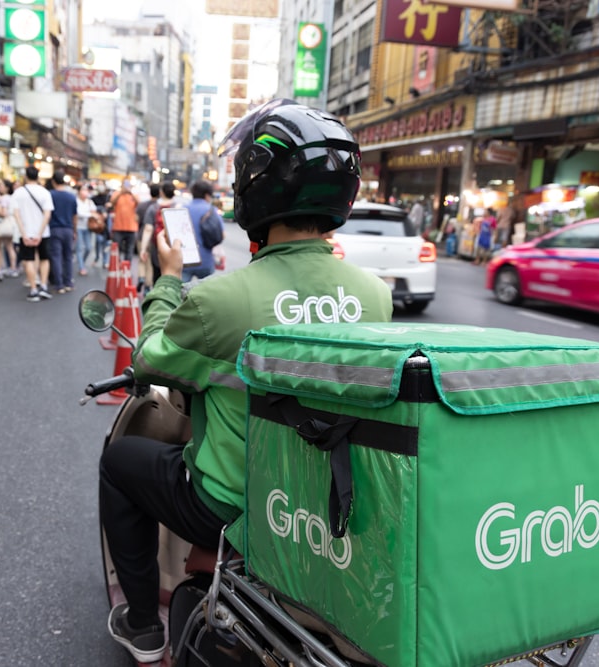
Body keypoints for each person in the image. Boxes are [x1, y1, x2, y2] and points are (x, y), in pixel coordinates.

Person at [99, 100, 395, 663]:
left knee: (119, 464)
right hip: (324, 499)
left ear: (254, 187)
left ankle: (142, 625)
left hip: (229, 503)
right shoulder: (374, 293)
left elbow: (150, 364)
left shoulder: (220, 298)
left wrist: (165, 282)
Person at [9, 166, 52, 302]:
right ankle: (44, 286)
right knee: (44, 259)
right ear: (38, 176)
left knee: (29, 260)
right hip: (43, 232)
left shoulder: (18, 193)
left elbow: (16, 215)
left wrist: (24, 233)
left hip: (26, 232)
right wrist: (39, 234)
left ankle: (33, 289)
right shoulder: (44, 192)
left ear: (26, 176)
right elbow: (47, 215)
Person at [137, 182, 178, 289]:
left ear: (161, 192)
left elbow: (148, 229)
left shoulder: (154, 208)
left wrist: (143, 249)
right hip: (174, 247)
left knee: (157, 273)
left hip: (158, 246)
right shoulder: (178, 207)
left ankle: (158, 296)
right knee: (174, 275)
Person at [182, 179, 222, 282]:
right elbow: (222, 234)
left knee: (180, 294)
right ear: (207, 195)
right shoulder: (211, 210)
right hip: (206, 260)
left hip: (185, 261)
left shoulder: (183, 209)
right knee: (208, 294)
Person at [48, 171, 78, 294]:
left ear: (53, 182)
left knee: (56, 257)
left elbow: (47, 213)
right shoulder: (71, 197)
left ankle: (59, 284)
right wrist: (74, 230)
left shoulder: (50, 195)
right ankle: (68, 283)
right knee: (68, 257)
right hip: (68, 229)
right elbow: (75, 216)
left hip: (54, 229)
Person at [134, 183, 159, 292]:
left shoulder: (142, 205)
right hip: (154, 239)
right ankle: (148, 286)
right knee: (150, 264)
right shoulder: (159, 207)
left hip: (141, 235)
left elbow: (136, 219)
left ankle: (141, 278)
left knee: (142, 259)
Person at [0, 179, 19, 279]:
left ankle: (0, 267)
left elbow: (3, 213)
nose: (0, 187)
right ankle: (13, 267)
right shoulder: (12, 198)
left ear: (7, 187)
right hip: (11, 224)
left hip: (3, 224)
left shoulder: (3, 199)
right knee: (10, 247)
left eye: (1, 185)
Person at [109, 182, 139, 261]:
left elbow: (139, 202)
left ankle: (127, 268)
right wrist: (121, 193)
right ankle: (117, 266)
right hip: (118, 227)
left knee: (129, 249)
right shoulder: (117, 194)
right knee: (116, 249)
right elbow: (112, 202)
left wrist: (130, 192)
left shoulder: (133, 195)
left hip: (131, 228)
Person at [74, 184, 99, 277]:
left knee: (89, 248)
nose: (85, 192)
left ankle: (82, 263)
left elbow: (94, 211)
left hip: (88, 228)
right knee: (79, 248)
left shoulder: (89, 202)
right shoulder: (76, 201)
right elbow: (78, 213)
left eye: (86, 190)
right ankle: (81, 267)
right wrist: (90, 214)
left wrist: (90, 214)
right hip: (78, 227)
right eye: (83, 190)